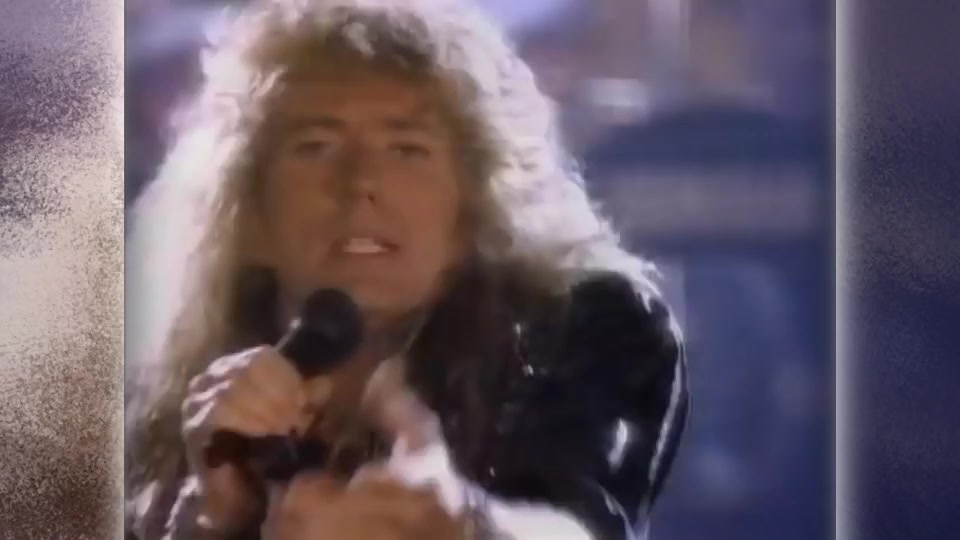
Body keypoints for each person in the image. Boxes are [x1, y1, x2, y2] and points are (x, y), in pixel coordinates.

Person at [124, 0, 689, 539]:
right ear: (250, 212)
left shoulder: (587, 324)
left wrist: (462, 527)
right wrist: (207, 517)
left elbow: (576, 524)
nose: (361, 182)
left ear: (476, 208)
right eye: (315, 146)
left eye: (406, 149)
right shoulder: (170, 390)